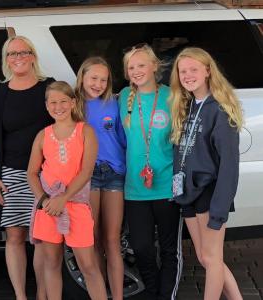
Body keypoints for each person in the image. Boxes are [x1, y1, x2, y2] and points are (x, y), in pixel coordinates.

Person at [0, 35, 55, 300]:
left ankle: (43, 295)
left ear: (33, 55)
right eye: (12, 54)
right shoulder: (0, 93)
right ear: (6, 60)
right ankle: (21, 296)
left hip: (46, 176)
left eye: (23, 52)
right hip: (11, 174)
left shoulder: (49, 88)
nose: (18, 57)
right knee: (15, 237)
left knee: (44, 240)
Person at [170, 47, 243, 300]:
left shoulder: (219, 108)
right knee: (205, 257)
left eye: (194, 69)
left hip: (209, 193)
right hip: (188, 193)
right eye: (183, 71)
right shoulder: (188, 105)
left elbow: (229, 166)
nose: (188, 75)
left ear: (208, 71)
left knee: (212, 258)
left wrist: (220, 209)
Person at [27, 81, 107, 300]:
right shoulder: (43, 135)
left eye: (63, 101)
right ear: (46, 106)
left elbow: (86, 171)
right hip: (49, 207)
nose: (58, 106)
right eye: (53, 102)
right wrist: (43, 200)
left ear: (73, 103)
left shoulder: (85, 131)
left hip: (76, 206)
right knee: (51, 263)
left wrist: (65, 198)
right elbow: (31, 173)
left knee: (88, 265)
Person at [118, 43, 182, 300]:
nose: (136, 71)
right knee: (142, 247)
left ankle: (166, 296)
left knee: (169, 249)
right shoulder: (123, 97)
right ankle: (153, 292)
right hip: (135, 189)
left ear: (155, 66)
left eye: (141, 65)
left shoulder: (172, 96)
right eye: (131, 67)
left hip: (166, 186)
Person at [75, 56, 126, 300]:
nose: (98, 84)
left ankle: (117, 296)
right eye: (93, 78)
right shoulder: (74, 104)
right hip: (89, 174)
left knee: (112, 239)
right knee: (92, 238)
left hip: (115, 172)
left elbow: (122, 137)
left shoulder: (113, 103)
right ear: (82, 77)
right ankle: (99, 294)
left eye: (103, 80)